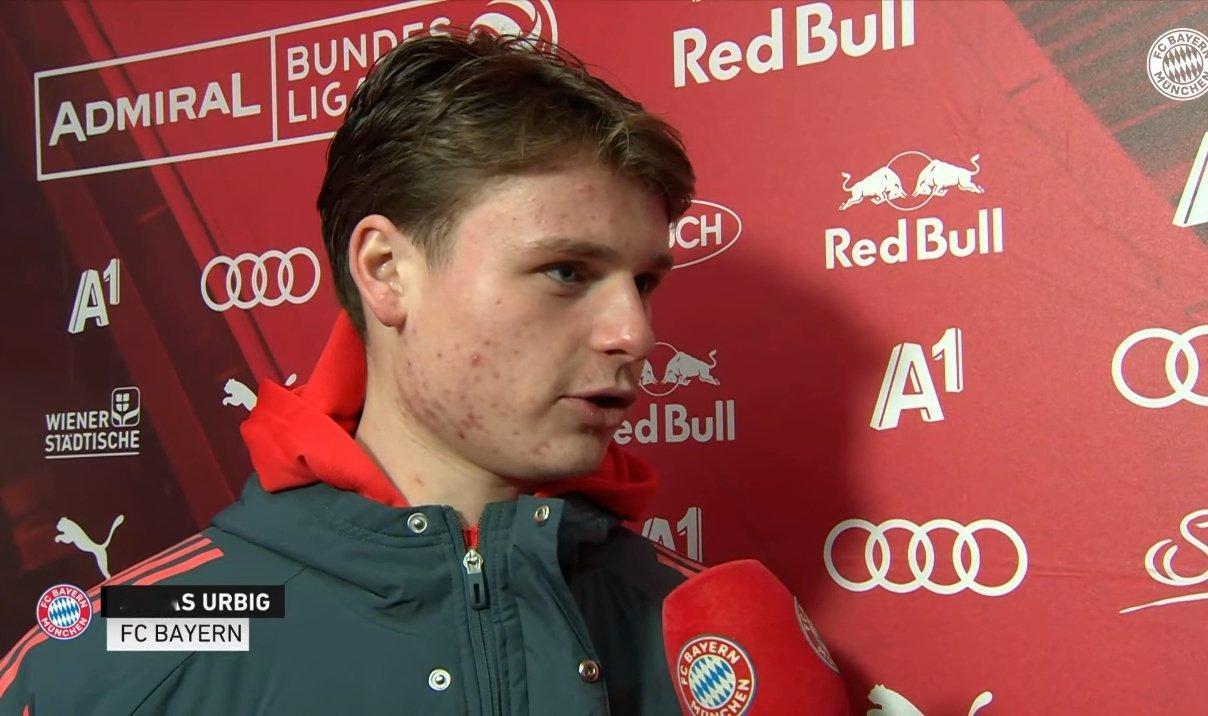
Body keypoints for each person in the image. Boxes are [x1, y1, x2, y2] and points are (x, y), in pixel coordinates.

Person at [0, 29, 702, 715]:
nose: (634, 335)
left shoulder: (709, 645)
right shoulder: (108, 662)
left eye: (643, 283)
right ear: (386, 271)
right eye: (566, 271)